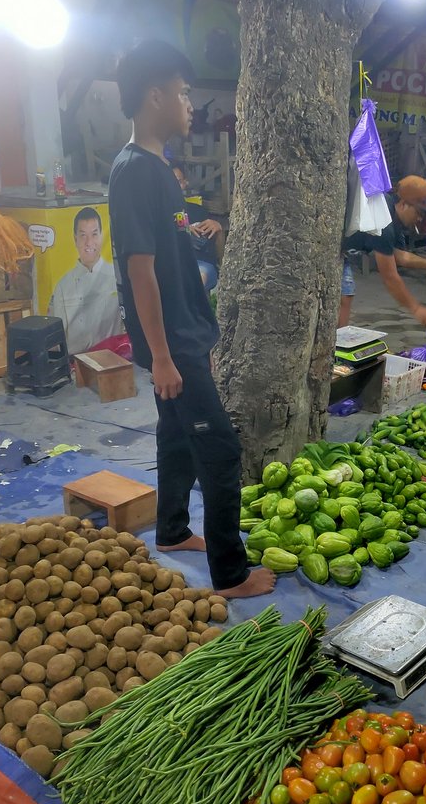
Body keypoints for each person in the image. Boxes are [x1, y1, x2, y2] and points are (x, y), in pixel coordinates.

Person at [108, 39, 274, 600]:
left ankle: (174, 530)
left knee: (177, 435)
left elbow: (167, 244)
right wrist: (159, 355)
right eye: (182, 94)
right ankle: (231, 573)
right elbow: (139, 271)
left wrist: (196, 235)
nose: (188, 105)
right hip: (171, 340)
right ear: (154, 95)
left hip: (183, 332)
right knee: (221, 449)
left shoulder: (160, 169)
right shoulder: (134, 171)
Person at [340, 175, 426, 329]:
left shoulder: (394, 218)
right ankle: (335, 344)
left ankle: (337, 343)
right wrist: (417, 309)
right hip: (333, 247)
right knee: (343, 297)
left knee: (345, 296)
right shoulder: (384, 223)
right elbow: (390, 277)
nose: (420, 219)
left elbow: (399, 256)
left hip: (342, 250)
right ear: (403, 204)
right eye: (419, 213)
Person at [47, 206, 122, 354]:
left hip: (114, 360)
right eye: (83, 235)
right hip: (76, 365)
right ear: (75, 239)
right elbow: (54, 339)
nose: (89, 242)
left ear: (101, 236)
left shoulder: (116, 277)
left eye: (94, 234)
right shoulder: (63, 286)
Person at [166, 155, 223, 292]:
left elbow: (219, 258)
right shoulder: (159, 213)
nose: (174, 187)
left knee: (198, 274)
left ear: (185, 183)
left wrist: (219, 230)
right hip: (171, 265)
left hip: (200, 265)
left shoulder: (198, 211)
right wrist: (181, 230)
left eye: (178, 182)